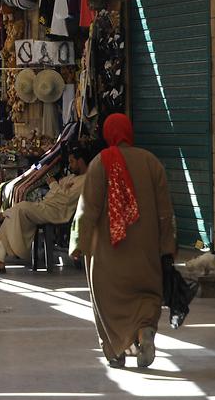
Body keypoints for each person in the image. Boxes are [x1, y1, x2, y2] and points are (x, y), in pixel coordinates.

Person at [70, 113, 176, 369]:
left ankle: (116, 350)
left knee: (109, 301)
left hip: (109, 254)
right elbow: (165, 212)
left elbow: (87, 209)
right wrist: (167, 247)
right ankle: (144, 331)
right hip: (146, 251)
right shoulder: (152, 163)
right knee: (147, 295)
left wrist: (78, 243)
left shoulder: (99, 163)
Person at [0, 142, 95, 274]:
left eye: (72, 162)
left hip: (57, 212)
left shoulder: (86, 180)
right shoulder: (72, 177)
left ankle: (1, 215)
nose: (70, 165)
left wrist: (53, 185)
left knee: (20, 207)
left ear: (81, 161)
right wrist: (59, 187)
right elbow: (60, 193)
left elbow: (65, 199)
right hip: (46, 207)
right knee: (12, 216)